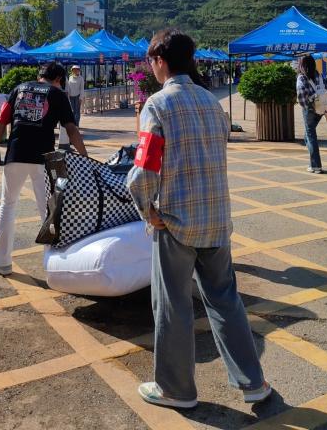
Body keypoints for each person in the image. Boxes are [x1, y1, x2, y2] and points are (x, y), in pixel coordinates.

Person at [127, 29, 270, 410]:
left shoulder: (157, 105)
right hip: (217, 219)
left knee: (173, 305)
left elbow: (145, 168)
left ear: (160, 61)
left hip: (175, 221)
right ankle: (253, 382)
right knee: (226, 301)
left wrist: (146, 208)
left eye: (151, 61)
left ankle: (176, 389)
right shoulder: (212, 102)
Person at [0, 62, 87, 276]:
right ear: (59, 79)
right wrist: (85, 157)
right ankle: (52, 265)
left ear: (39, 74)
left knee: (7, 206)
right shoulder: (57, 94)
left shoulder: (19, 89)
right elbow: (71, 129)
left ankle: (1, 262)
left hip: (15, 154)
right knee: (48, 212)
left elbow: (1, 121)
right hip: (44, 159)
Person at [297, 55, 327, 173]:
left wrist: (306, 106)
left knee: (311, 135)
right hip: (321, 108)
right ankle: (313, 162)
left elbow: (301, 94)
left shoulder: (302, 77)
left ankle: (316, 165)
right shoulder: (318, 75)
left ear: (302, 65)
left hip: (309, 109)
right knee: (308, 135)